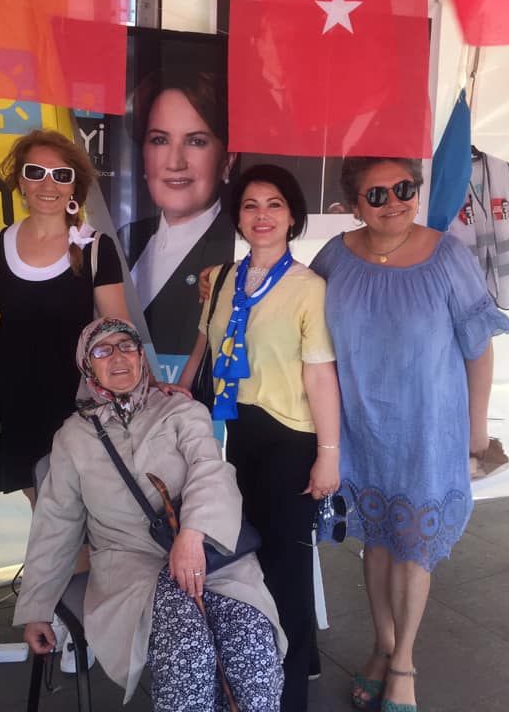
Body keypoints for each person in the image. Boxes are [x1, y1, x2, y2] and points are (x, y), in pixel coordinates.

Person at [310, 157, 509, 712]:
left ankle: (403, 662)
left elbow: (478, 348)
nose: (394, 202)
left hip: (428, 428)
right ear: (354, 206)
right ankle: (382, 645)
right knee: (377, 542)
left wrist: (477, 430)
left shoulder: (447, 256)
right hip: (361, 427)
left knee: (413, 548)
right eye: (377, 195)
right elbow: (297, 315)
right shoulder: (334, 258)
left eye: (404, 188)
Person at [15, 317, 286, 711]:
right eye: (102, 350)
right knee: (187, 649)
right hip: (132, 569)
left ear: (141, 356)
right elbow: (56, 523)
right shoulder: (73, 438)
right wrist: (37, 608)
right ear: (87, 365)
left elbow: (211, 469)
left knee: (251, 645)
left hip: (209, 556)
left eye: (127, 346)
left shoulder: (179, 409)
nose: (117, 357)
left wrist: (192, 535)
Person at [179, 164, 341, 712]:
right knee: (253, 558)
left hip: (292, 437)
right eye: (251, 205)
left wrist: (328, 456)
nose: (262, 215)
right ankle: (295, 659)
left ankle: (289, 696)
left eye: (275, 205)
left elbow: (320, 375)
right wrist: (180, 393)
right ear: (238, 217)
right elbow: (204, 345)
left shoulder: (308, 289)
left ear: (292, 216)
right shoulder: (223, 278)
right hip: (240, 432)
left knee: (286, 566)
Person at [0, 129, 128, 501]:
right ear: (20, 181)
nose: (48, 184)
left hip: (77, 401)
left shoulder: (95, 247)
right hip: (17, 399)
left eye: (61, 175)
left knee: (85, 509)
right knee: (43, 510)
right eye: (35, 172)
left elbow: (118, 333)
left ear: (74, 186)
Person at [120, 68, 238, 369]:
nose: (175, 162)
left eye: (196, 141)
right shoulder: (123, 238)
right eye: (160, 140)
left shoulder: (239, 248)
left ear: (227, 160)